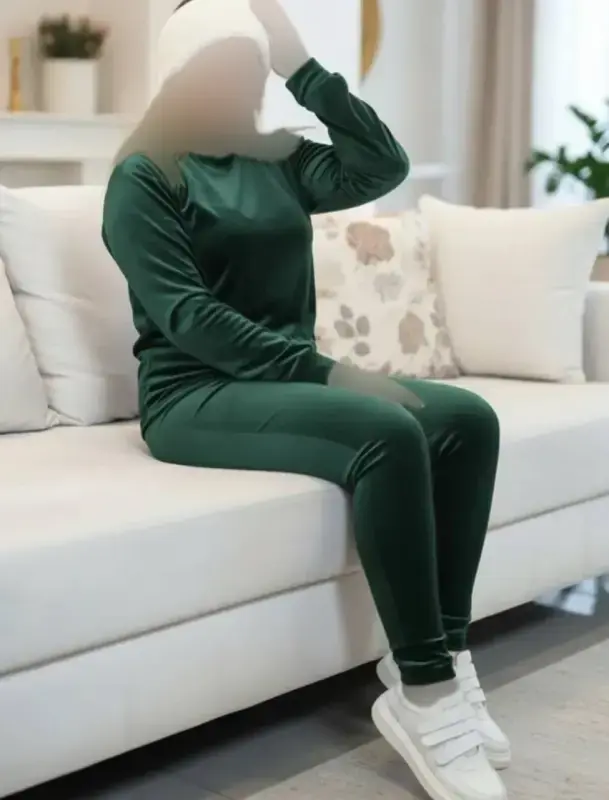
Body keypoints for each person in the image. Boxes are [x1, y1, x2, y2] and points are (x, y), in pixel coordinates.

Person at [102, 1, 510, 798]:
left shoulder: (277, 157)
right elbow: (189, 319)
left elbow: (380, 166)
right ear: (181, 75)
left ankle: (447, 657)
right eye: (230, 68)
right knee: (386, 431)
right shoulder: (143, 177)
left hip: (280, 379)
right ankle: (425, 696)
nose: (248, 84)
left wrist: (302, 67)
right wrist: (325, 372)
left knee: (466, 419)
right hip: (194, 394)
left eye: (256, 70)